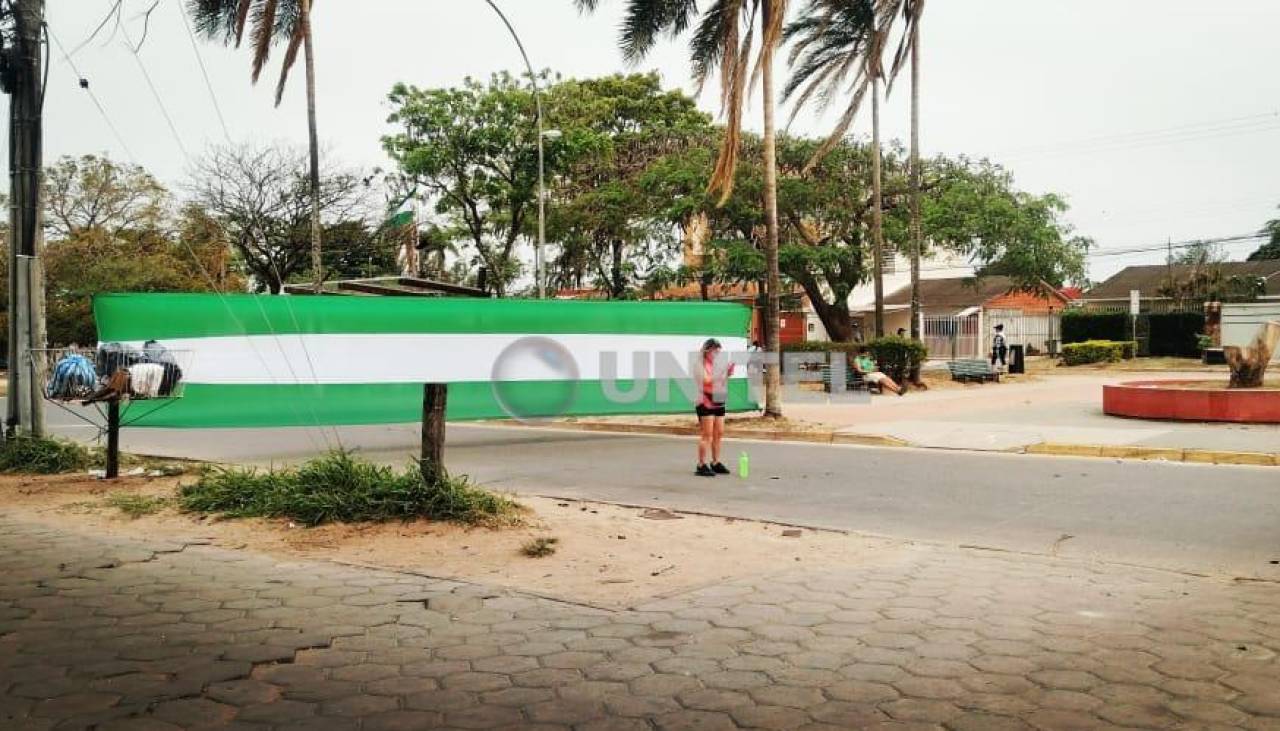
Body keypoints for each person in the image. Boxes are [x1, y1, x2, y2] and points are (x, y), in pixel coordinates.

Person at [695, 338, 734, 477]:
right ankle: (701, 464)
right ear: (707, 350)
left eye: (719, 352)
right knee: (707, 434)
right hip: (705, 400)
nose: (717, 354)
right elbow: (706, 380)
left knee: (719, 432)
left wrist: (728, 373)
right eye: (715, 351)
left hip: (719, 399)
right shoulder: (699, 364)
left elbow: (722, 381)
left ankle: (715, 462)